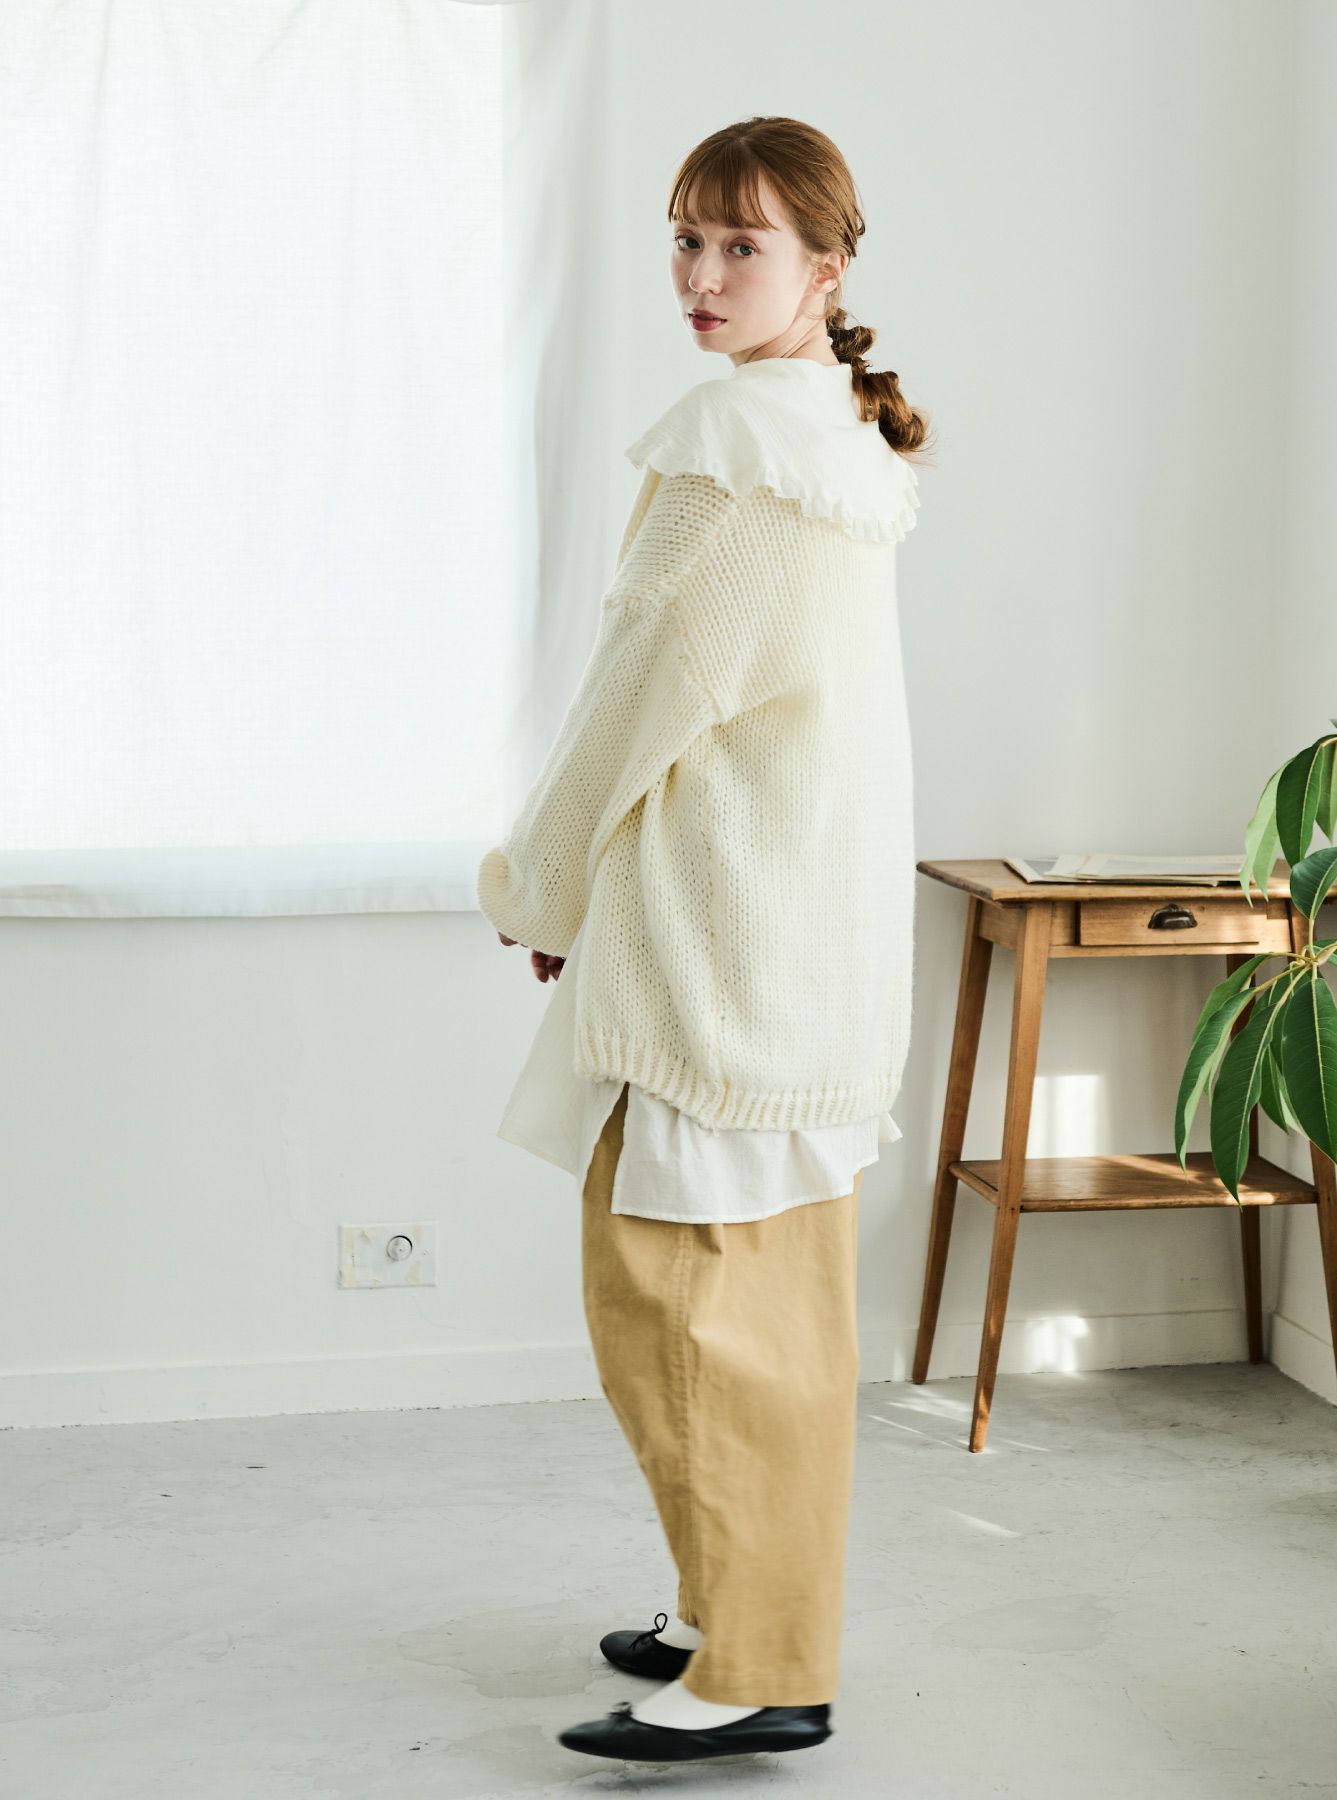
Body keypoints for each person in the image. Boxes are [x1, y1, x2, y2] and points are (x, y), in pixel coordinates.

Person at [476, 115, 933, 1766]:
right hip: (800, 941)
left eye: (744, 244)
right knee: (754, 1317)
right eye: (686, 237)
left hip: (722, 945)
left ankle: (757, 1666)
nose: (703, 273)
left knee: (685, 1316)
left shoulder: (738, 447)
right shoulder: (832, 439)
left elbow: (635, 699)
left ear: (827, 266)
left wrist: (536, 886)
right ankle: (722, 1605)